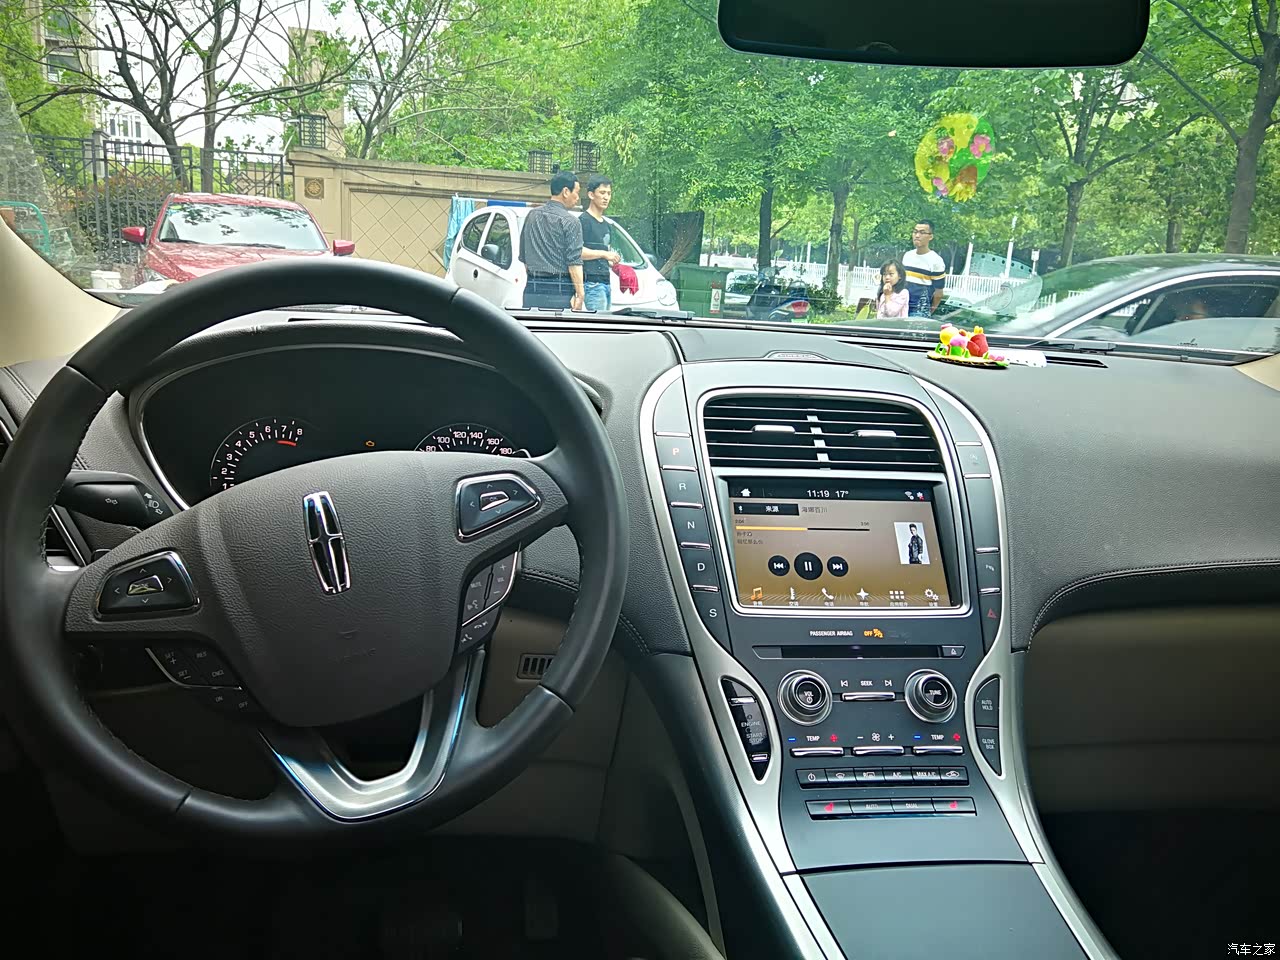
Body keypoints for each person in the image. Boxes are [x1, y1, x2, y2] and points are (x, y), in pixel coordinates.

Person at [518, 171, 586, 310]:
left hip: (532, 288)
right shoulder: (571, 222)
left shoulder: (532, 215)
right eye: (577, 192)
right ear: (566, 191)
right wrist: (580, 294)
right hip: (560, 291)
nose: (578, 197)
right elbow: (574, 262)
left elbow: (524, 256)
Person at [579, 176, 622, 311]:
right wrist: (604, 254)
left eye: (609, 193)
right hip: (591, 283)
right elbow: (578, 252)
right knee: (598, 321)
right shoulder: (583, 221)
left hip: (606, 281)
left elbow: (604, 255)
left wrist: (614, 262)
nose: (606, 197)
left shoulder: (607, 225)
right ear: (591, 195)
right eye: (602, 193)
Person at [903, 220, 946, 317]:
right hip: (902, 305)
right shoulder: (907, 256)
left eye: (922, 232)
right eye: (915, 232)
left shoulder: (936, 261)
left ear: (930, 236)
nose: (917, 235)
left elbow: (939, 293)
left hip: (919, 310)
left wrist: (929, 311)